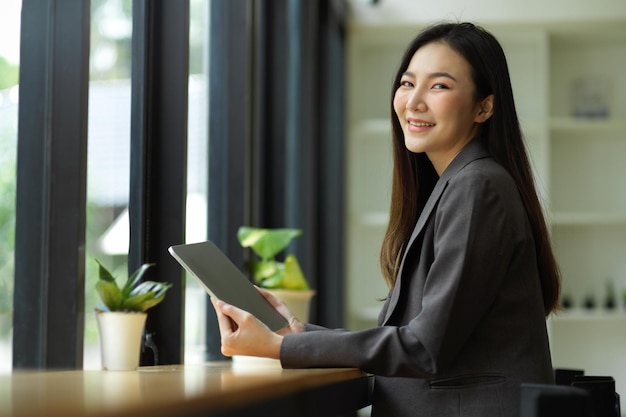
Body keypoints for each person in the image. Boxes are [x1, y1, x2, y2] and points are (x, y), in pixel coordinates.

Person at [211, 22, 561, 417]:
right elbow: (416, 339)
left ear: (484, 107)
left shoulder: (477, 187)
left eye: (439, 86)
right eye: (408, 83)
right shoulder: (460, 184)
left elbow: (423, 347)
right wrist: (297, 333)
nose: (413, 102)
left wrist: (281, 348)